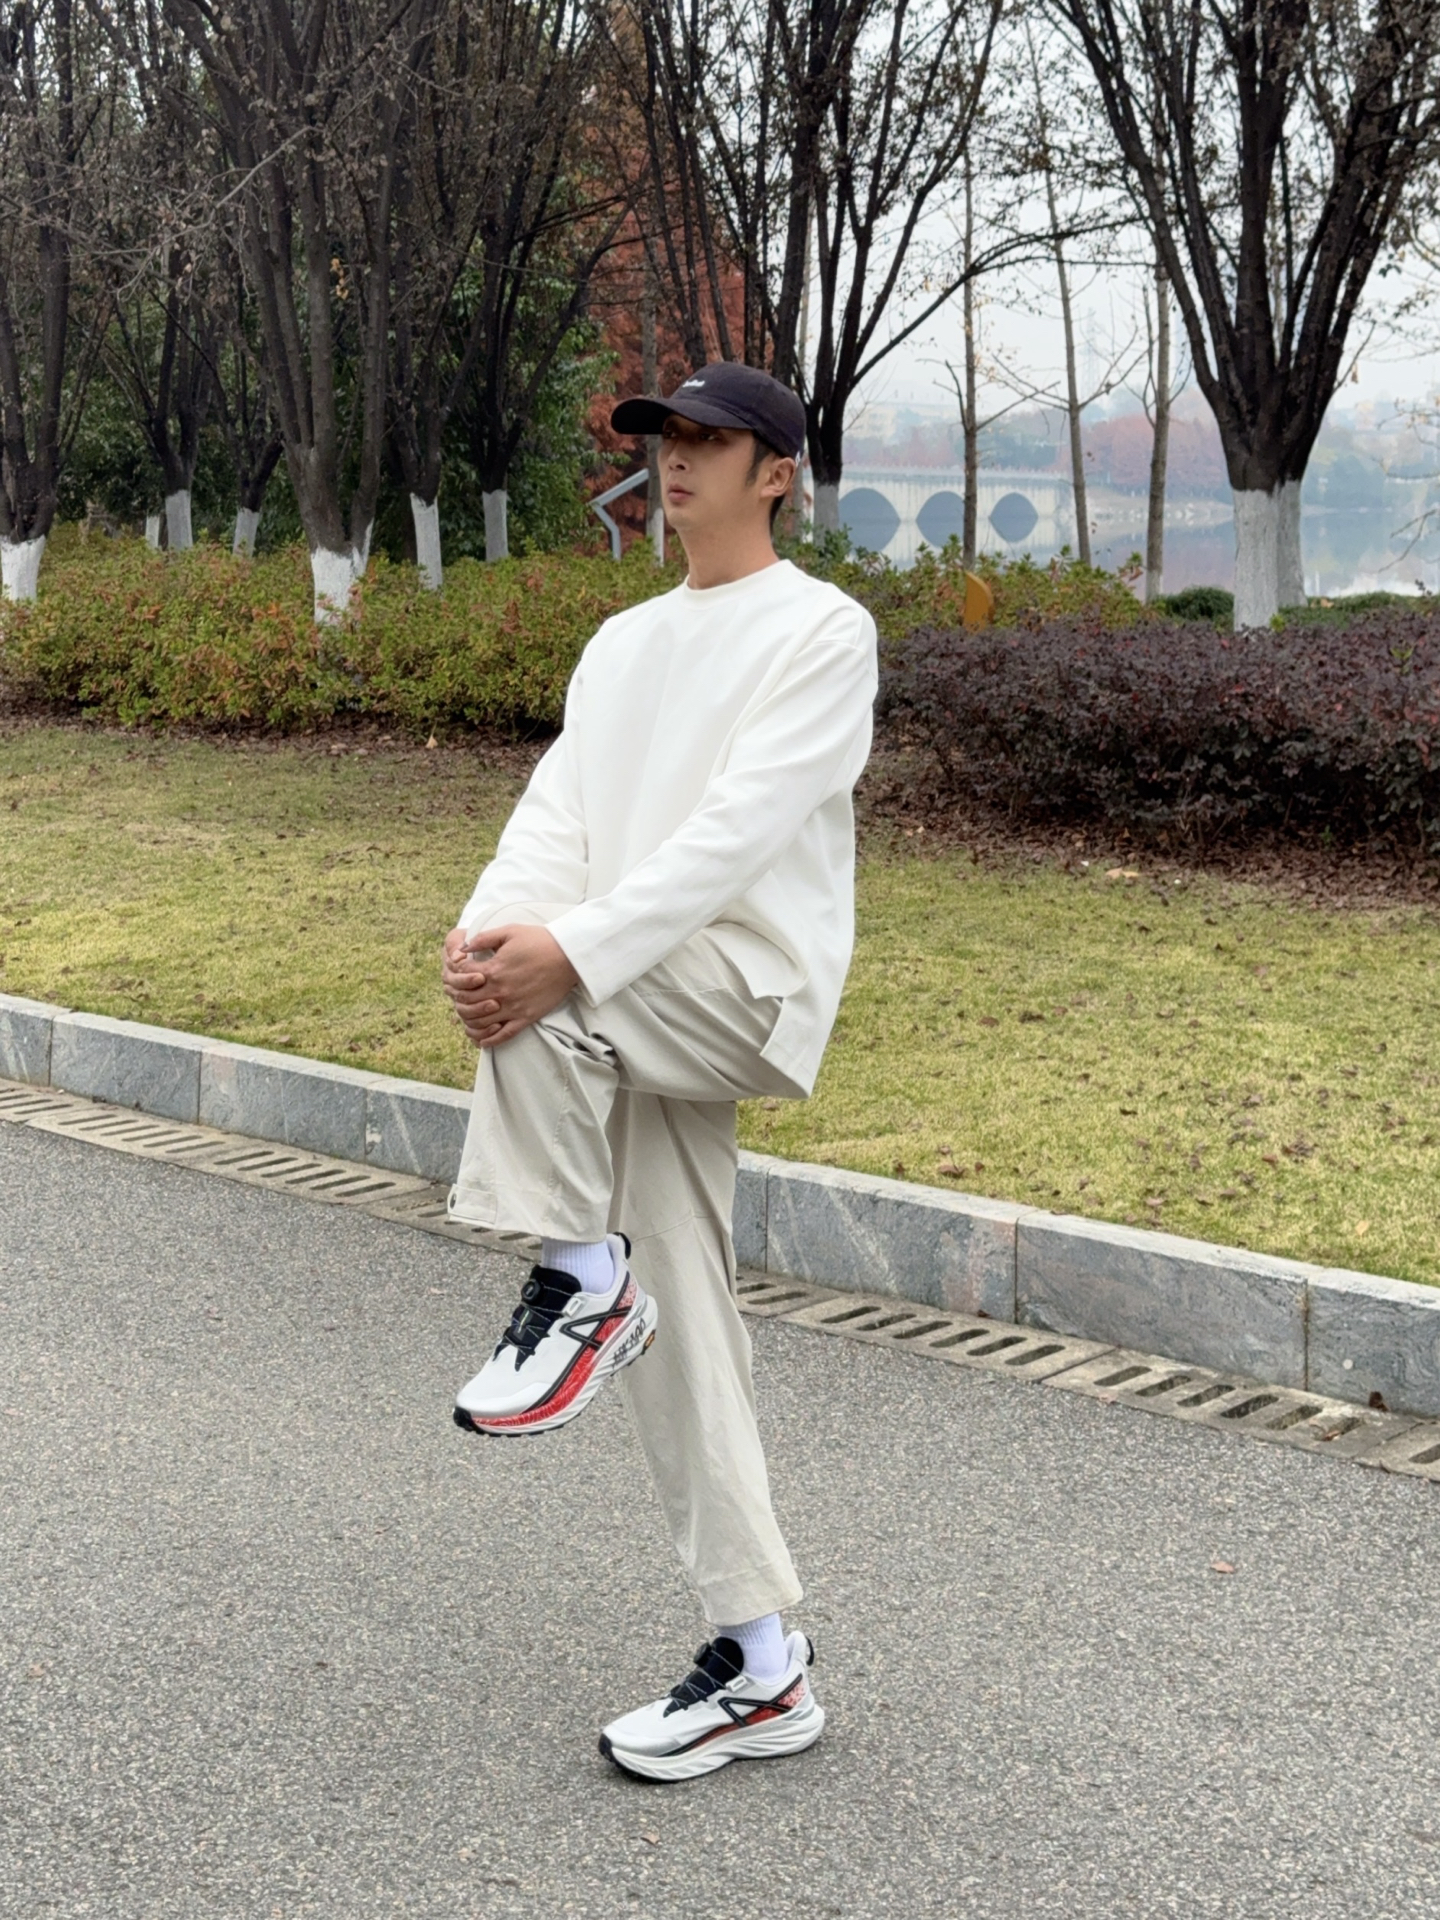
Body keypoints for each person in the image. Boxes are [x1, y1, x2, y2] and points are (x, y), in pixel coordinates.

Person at [441, 361, 877, 1783]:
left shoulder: (823, 631)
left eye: (707, 439)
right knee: (685, 1325)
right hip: (629, 986)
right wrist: (492, 934)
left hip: (738, 989)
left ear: (775, 473)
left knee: (545, 1008)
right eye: (662, 437)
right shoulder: (623, 643)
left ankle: (579, 1278)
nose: (673, 459)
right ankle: (762, 1663)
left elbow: (733, 838)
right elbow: (555, 814)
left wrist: (563, 956)